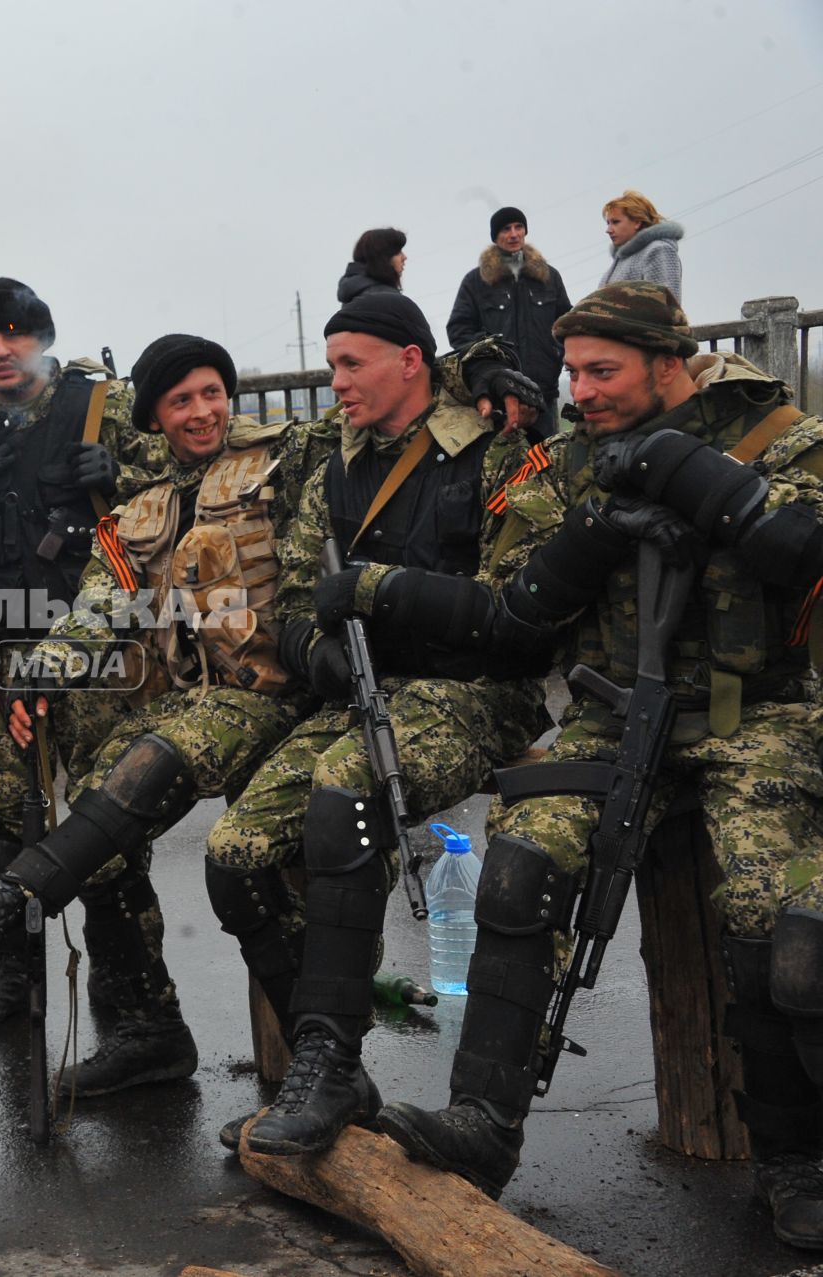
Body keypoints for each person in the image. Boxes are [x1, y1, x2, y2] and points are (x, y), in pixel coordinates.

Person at [0, 330, 541, 1099]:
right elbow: (98, 608)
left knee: (169, 765)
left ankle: (14, 900)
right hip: (193, 694)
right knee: (101, 809)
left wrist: (473, 365)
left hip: (281, 688)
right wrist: (38, 677)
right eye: (181, 399)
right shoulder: (132, 512)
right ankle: (150, 1029)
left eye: (213, 392)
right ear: (153, 416)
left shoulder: (288, 454)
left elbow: (393, 395)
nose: (202, 411)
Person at [377, 283, 823, 1251]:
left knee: (767, 913)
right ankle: (482, 1123)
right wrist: (596, 526)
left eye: (601, 370)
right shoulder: (567, 457)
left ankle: (793, 1156)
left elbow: (806, 547)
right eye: (571, 369)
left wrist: (684, 471)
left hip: (761, 717)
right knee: (521, 856)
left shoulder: (778, 428)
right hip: (615, 710)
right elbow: (510, 611)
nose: (579, 389)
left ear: (669, 360)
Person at [202, 291, 554, 1155]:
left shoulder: (496, 441)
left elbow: (530, 607)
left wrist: (482, 372)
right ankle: (334, 1062)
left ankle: (326, 1057)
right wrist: (310, 647)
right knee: (232, 857)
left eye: (351, 365)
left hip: (472, 691)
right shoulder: (335, 457)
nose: (337, 383)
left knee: (345, 792)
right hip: (366, 689)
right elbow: (288, 594)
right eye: (331, 366)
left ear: (410, 362)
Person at [0, 277, 170, 1038]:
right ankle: (10, 975)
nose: (1, 349)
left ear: (41, 337)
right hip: (2, 659)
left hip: (97, 659)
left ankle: (134, 1008)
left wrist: (119, 484)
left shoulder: (100, 409)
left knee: (108, 833)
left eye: (15, 333)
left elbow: (175, 497)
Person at [447, 206, 572, 440]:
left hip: (543, 393)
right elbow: (459, 330)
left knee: (547, 464)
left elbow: (567, 324)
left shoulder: (549, 277)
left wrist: (557, 356)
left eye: (519, 227)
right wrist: (487, 360)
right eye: (506, 229)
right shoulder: (476, 281)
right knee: (502, 469)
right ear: (495, 237)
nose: (514, 234)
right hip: (498, 397)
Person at [600, 190, 684, 301]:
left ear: (637, 222)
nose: (608, 230)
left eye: (615, 222)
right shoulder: (621, 259)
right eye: (608, 223)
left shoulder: (658, 250)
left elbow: (664, 305)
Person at [337, 228, 408, 303]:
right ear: (382, 257)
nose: (404, 257)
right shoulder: (384, 298)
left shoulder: (354, 295)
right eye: (398, 252)